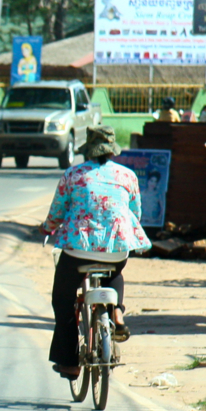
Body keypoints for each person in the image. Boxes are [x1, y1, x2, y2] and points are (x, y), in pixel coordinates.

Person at [40, 126, 151, 379]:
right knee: (115, 272)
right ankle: (118, 313)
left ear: (88, 150)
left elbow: (57, 212)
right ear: (112, 151)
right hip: (116, 248)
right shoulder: (128, 176)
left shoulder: (73, 175)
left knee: (63, 298)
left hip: (79, 248)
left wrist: (45, 228)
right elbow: (136, 212)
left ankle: (69, 362)